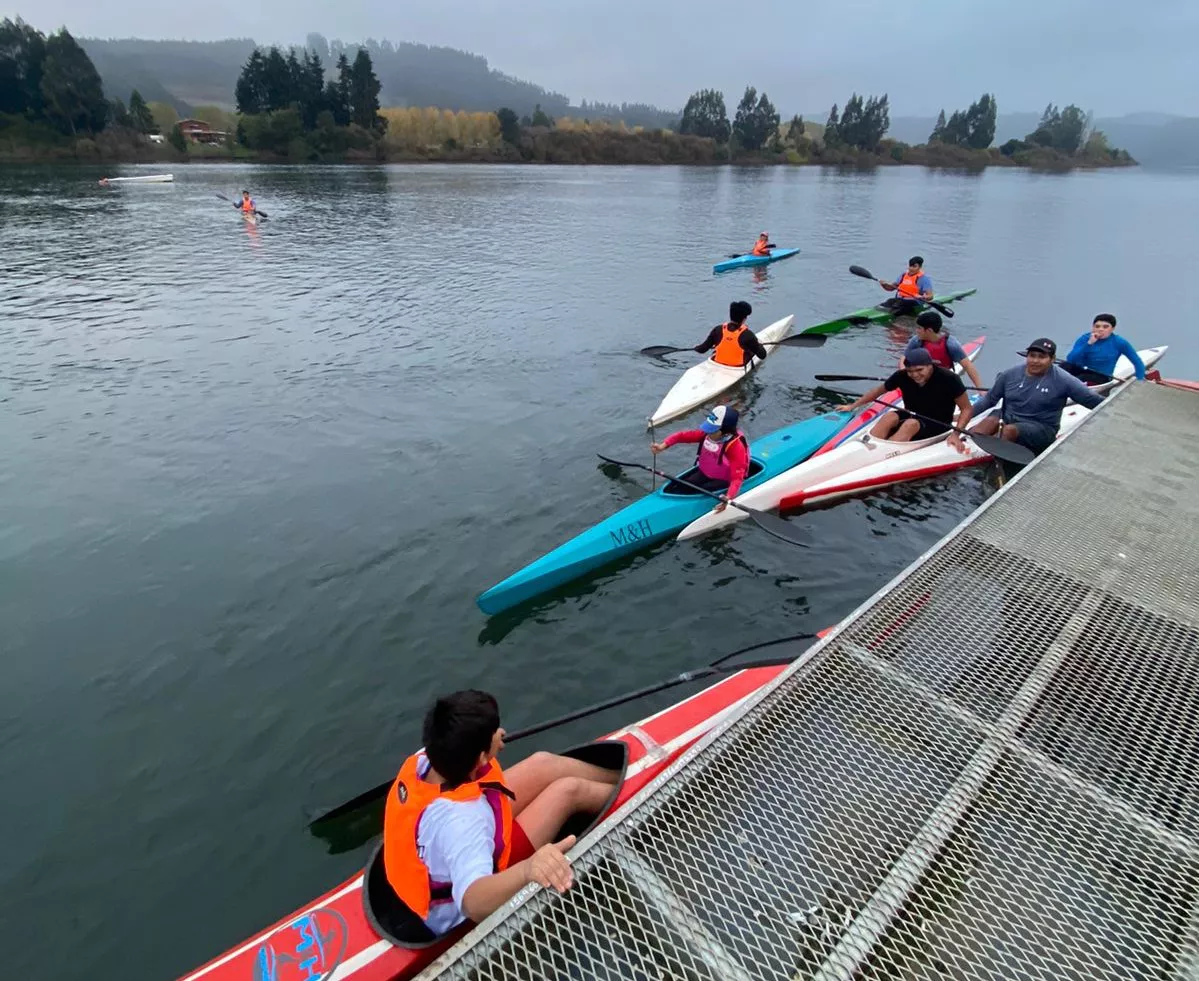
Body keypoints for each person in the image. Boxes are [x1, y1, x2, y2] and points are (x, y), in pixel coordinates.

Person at [382, 690, 619, 936]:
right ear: (481, 758)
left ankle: (627, 771)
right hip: (467, 894)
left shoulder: (427, 758)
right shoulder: (462, 821)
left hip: (445, 843)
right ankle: (631, 789)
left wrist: (489, 743)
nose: (501, 732)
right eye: (495, 732)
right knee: (569, 791)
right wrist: (528, 869)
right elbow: (473, 902)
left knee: (543, 763)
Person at [969, 337, 1105, 455]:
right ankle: (973, 447)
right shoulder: (1009, 375)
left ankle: (995, 460)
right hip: (1009, 417)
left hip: (1041, 428)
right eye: (1032, 356)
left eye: (1041, 357)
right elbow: (989, 400)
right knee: (989, 422)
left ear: (1052, 359)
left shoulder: (1065, 381)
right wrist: (964, 417)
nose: (1035, 361)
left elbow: (1096, 402)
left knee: (1009, 431)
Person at [839, 349, 973, 453]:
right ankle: (867, 448)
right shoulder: (901, 376)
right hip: (913, 414)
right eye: (910, 371)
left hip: (939, 422)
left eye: (919, 370)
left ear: (930, 365)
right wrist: (853, 406)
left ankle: (885, 452)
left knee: (910, 424)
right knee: (889, 416)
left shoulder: (950, 378)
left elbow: (967, 409)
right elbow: (878, 391)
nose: (914, 375)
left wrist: (956, 434)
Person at [651, 404, 749, 512]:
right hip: (705, 472)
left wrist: (728, 498)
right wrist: (662, 446)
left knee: (701, 489)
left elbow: (737, 478)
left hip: (724, 480)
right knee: (681, 485)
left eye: (712, 430)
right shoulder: (707, 434)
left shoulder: (735, 447)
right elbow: (681, 436)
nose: (707, 432)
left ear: (724, 432)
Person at [900, 311, 983, 388]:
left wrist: (980, 389)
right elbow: (903, 358)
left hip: (942, 379)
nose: (916, 331)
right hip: (922, 377)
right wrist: (905, 378)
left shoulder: (951, 344)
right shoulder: (916, 341)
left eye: (919, 328)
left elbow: (968, 366)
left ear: (929, 330)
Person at [1061, 314, 1145, 383]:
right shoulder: (1085, 338)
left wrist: (1139, 380)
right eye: (1097, 326)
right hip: (1083, 369)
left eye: (1105, 327)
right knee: (1064, 366)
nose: (1100, 329)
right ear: (1093, 327)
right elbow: (1071, 359)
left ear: (1112, 329)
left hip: (1102, 376)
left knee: (1081, 378)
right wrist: (1089, 344)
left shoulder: (1119, 342)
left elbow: (1137, 362)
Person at [694, 301, 770, 368]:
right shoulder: (748, 335)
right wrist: (759, 345)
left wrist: (696, 348)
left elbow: (702, 349)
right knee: (750, 350)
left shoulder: (717, 330)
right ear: (744, 319)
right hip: (737, 367)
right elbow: (762, 355)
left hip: (717, 363)